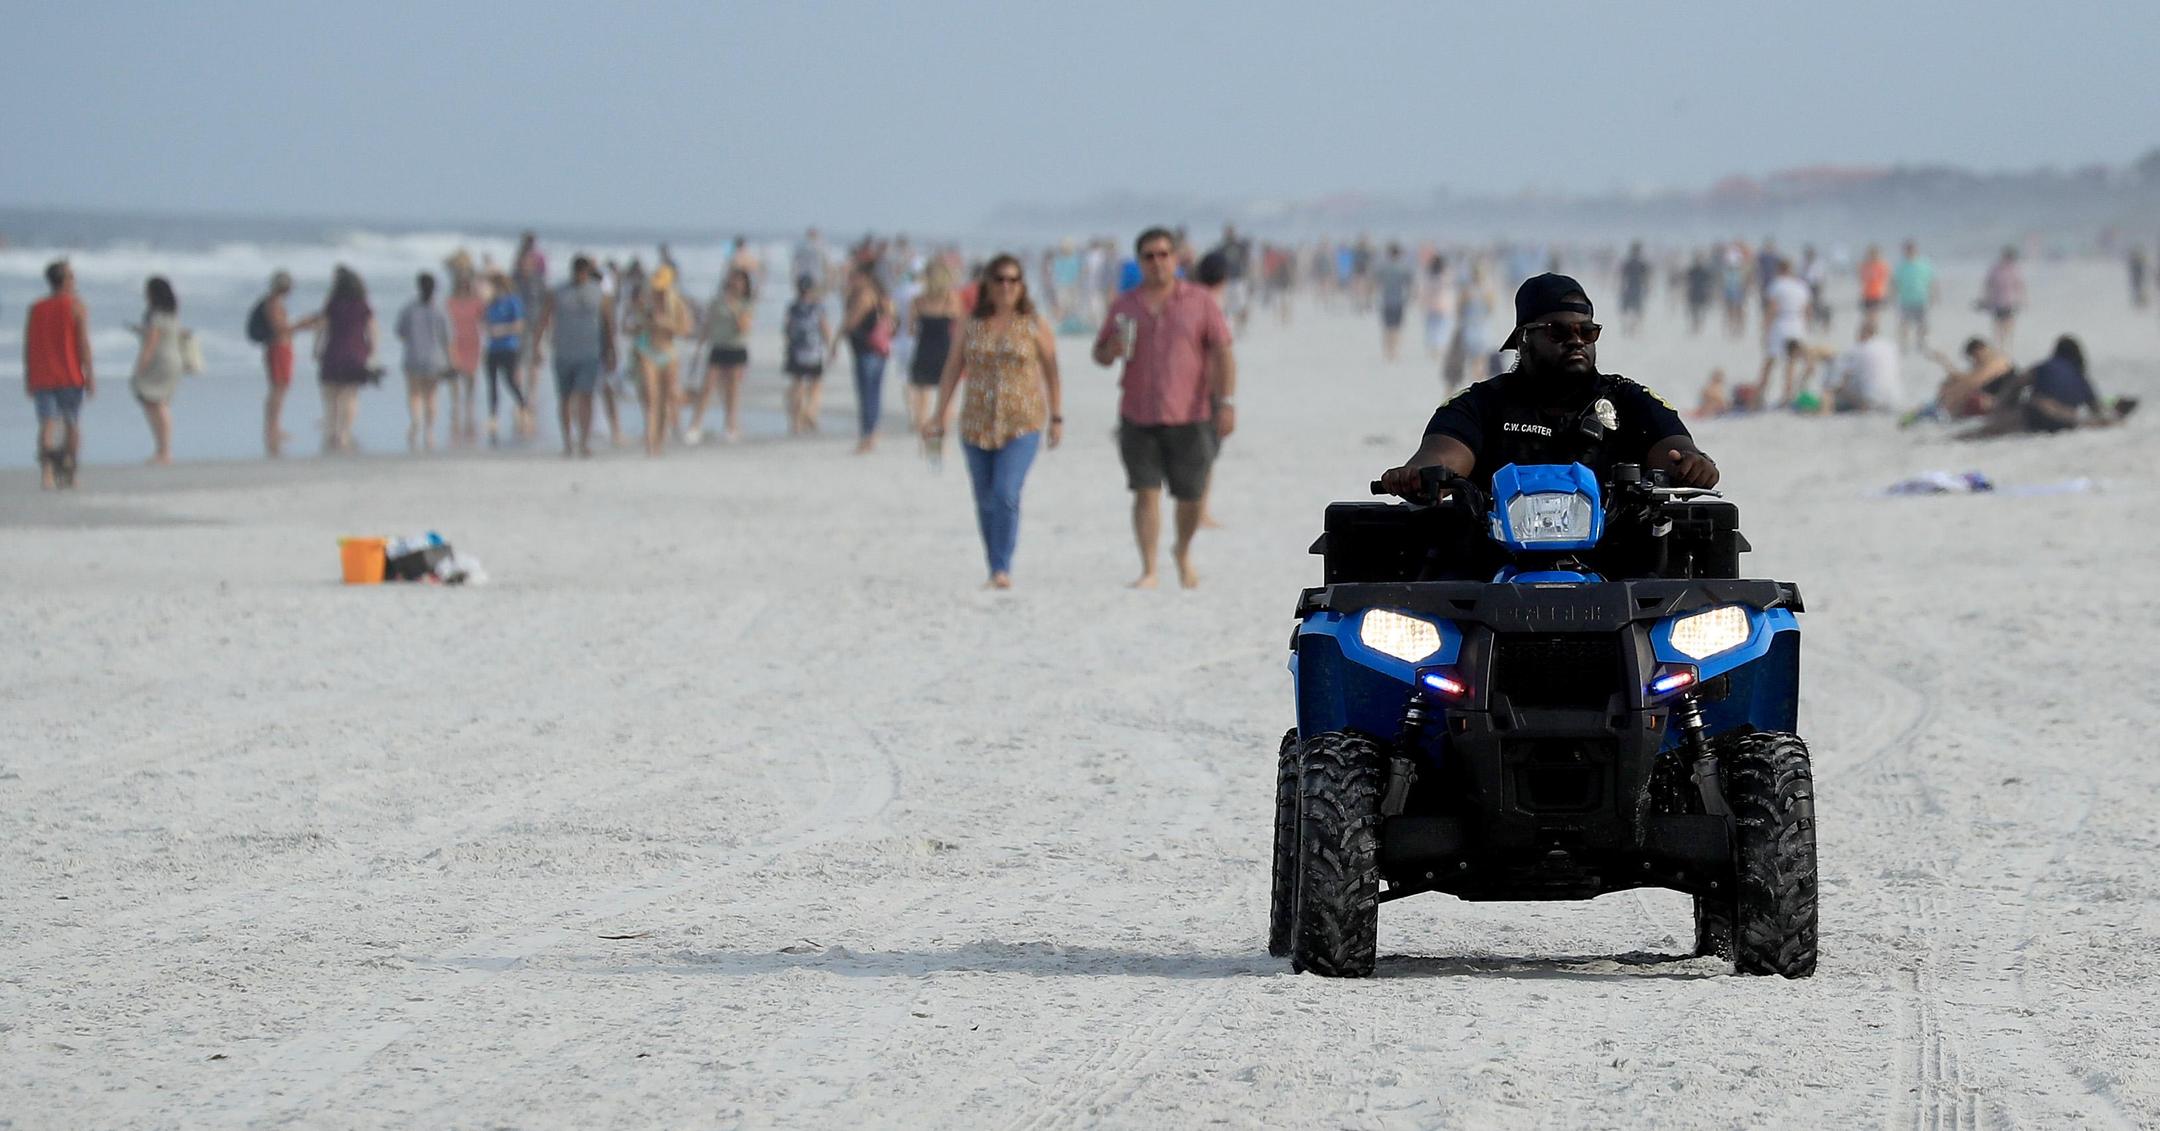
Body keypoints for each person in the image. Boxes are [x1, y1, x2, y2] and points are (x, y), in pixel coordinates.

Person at [1378, 273, 1717, 500]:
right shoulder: (1480, 404)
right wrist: (1418, 476)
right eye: (1559, 332)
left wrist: (1692, 464)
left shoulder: (1629, 400)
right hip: (1495, 569)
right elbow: (1442, 455)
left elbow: (1673, 448)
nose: (1576, 341)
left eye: (1587, 332)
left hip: (1614, 567)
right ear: (1524, 339)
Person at [1091, 227, 1237, 589]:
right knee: (1145, 491)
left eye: (1163, 255)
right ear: (1139, 262)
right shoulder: (1125, 305)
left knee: (1189, 495)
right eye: (1149, 256)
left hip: (1190, 412)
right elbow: (1100, 353)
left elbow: (1222, 351)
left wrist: (1227, 402)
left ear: (1175, 259)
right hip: (1137, 412)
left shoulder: (1199, 300)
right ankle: (1149, 568)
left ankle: (1182, 552)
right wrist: (1109, 350)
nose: (1157, 263)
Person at [922, 253, 1064, 588]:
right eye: (999, 279)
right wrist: (939, 414)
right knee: (985, 498)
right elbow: (953, 370)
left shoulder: (1034, 324)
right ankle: (994, 565)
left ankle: (1003, 567)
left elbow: (1052, 371)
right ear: (987, 283)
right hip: (977, 423)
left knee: (1006, 492)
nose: (1005, 286)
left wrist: (1056, 416)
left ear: (1021, 285)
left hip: (1022, 422)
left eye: (1013, 280)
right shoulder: (972, 324)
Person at [1957, 336, 2133, 439]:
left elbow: (2018, 382)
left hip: (2038, 410)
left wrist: (2002, 405)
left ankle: (1960, 437)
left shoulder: (2046, 365)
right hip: (2065, 420)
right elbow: (2096, 408)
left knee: (1987, 432)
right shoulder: (2081, 378)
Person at [24, 260, 94, 489]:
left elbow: (29, 344)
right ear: (64, 281)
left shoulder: (36, 308)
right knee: (72, 423)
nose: (74, 281)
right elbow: (83, 344)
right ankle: (71, 474)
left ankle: (47, 475)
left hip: (43, 375)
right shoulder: (76, 305)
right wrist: (90, 374)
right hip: (70, 375)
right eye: (71, 277)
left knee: (47, 425)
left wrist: (28, 376)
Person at [290, 266, 376, 453]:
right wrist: (372, 351)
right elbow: (372, 330)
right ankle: (345, 432)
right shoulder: (362, 305)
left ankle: (333, 431)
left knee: (330, 396)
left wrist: (316, 348)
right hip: (356, 353)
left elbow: (321, 328)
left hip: (333, 353)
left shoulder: (332, 305)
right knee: (350, 395)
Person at [536, 255, 615, 457]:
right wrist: (536, 346)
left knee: (585, 396)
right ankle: (567, 441)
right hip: (563, 352)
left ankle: (584, 441)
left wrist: (611, 351)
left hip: (589, 352)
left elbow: (608, 324)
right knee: (565, 398)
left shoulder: (599, 294)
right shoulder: (558, 293)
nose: (580, 276)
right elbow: (544, 319)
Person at [629, 264, 692, 456]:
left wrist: (666, 323)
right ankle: (650, 441)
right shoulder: (645, 303)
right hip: (647, 350)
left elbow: (686, 329)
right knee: (650, 397)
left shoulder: (677, 304)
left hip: (668, 352)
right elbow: (632, 326)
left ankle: (660, 441)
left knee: (666, 398)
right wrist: (645, 321)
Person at [834, 261, 895, 453]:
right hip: (878, 349)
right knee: (874, 393)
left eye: (854, 277)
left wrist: (836, 340)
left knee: (866, 394)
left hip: (866, 350)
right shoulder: (880, 295)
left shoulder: (864, 296)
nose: (851, 280)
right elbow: (893, 318)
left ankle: (867, 435)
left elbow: (851, 322)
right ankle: (872, 431)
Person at [688, 267, 752, 444]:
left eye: (739, 281)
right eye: (733, 280)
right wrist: (698, 348)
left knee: (732, 390)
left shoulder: (746, 304)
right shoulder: (717, 301)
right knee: (707, 386)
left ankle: (731, 426)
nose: (736, 284)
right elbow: (707, 325)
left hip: (736, 348)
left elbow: (743, 328)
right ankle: (695, 425)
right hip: (718, 347)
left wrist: (733, 309)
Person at [127, 276, 186, 465]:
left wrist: (139, 368)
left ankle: (164, 450)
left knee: (156, 403)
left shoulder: (156, 315)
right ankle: (163, 449)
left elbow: (150, 345)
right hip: (174, 359)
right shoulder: (171, 314)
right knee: (160, 403)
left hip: (159, 361)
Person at [395, 272, 453, 451]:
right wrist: (451, 361)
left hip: (413, 356)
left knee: (414, 394)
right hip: (435, 359)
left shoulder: (409, 309)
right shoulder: (440, 310)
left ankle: (415, 422)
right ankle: (429, 431)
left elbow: (400, 333)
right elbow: (447, 338)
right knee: (432, 396)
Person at [906, 260, 960, 434]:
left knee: (922, 393)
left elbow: (911, 330)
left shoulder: (918, 301)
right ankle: (942, 428)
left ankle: (923, 429)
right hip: (945, 349)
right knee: (947, 395)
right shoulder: (950, 300)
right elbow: (960, 327)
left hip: (924, 349)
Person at [1910, 336, 2016, 423]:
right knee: (1950, 385)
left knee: (1964, 391)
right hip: (1987, 399)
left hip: (2000, 401)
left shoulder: (1999, 362)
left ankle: (1941, 410)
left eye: (1975, 357)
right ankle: (1933, 409)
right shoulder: (1983, 365)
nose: (1975, 361)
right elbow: (1966, 378)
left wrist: (1945, 364)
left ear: (1980, 350)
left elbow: (1974, 382)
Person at [477, 272, 529, 445]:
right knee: (491, 383)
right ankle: (493, 416)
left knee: (509, 380)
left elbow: (520, 325)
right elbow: (484, 321)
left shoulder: (512, 301)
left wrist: (502, 330)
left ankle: (523, 406)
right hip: (492, 348)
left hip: (509, 346)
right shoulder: (491, 304)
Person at [1756, 259, 1812, 407]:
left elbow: (1772, 308)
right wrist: (1805, 328)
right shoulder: (1801, 286)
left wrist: (1765, 329)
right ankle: (1787, 395)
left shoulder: (1776, 285)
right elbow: (1807, 310)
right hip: (1797, 323)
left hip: (1781, 323)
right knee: (1791, 362)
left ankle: (1760, 394)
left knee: (1770, 361)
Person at [252, 271, 297, 456]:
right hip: (278, 348)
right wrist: (301, 324)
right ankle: (272, 428)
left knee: (281, 388)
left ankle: (274, 426)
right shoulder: (273, 304)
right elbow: (280, 328)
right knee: (277, 388)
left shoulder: (274, 302)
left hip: (281, 347)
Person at [782, 274, 831, 435]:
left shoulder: (793, 307)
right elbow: (824, 328)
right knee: (815, 385)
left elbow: (787, 329)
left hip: (797, 351)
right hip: (814, 352)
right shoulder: (818, 307)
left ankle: (796, 422)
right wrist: (830, 345)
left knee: (797, 385)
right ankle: (810, 412)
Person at [1822, 320, 1901, 414]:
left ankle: (1862, 407)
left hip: (1871, 400)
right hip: (1894, 400)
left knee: (1838, 389)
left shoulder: (1858, 349)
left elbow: (1839, 379)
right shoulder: (1890, 346)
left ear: (1862, 333)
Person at [444, 266, 485, 445]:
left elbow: (484, 320)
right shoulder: (450, 302)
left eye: (465, 284)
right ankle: (455, 404)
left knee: (471, 374)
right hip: (455, 340)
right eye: (460, 284)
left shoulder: (477, 302)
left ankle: (469, 404)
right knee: (454, 372)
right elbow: (444, 322)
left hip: (472, 339)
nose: (462, 286)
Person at [1445, 260, 1499, 394]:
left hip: (1470, 327)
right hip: (1482, 327)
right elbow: (1491, 309)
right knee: (1480, 359)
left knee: (1472, 360)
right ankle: (1479, 385)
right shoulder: (1487, 290)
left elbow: (1459, 310)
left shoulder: (1467, 290)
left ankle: (1476, 385)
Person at [1891, 239, 1938, 352]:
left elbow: (1932, 281)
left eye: (1911, 249)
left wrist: (1934, 295)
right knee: (1904, 325)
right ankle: (1904, 345)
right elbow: (1894, 283)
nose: (1909, 252)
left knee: (1922, 324)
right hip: (1905, 300)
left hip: (1921, 299)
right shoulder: (1900, 266)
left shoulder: (1924, 264)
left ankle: (1921, 343)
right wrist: (1892, 297)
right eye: (1907, 249)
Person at [1980, 246, 2026, 351]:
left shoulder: (2009, 269)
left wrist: (2023, 300)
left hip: (2006, 302)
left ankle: (2004, 346)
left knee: (2005, 325)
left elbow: (2020, 286)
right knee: (2001, 325)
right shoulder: (2003, 269)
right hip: (2001, 301)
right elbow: (1988, 284)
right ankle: (2002, 346)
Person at [1375, 243, 1415, 361]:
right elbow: (1410, 284)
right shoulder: (1403, 268)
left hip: (1386, 300)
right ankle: (1394, 352)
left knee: (1387, 327)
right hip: (1399, 300)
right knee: (1397, 328)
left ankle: (1387, 351)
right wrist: (1412, 297)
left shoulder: (1383, 268)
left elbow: (1376, 282)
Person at [1421, 255, 1456, 362]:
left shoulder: (1428, 277)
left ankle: (1434, 350)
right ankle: (1440, 349)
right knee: (1443, 329)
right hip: (1444, 307)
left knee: (1431, 329)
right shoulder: (1446, 276)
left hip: (1431, 306)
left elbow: (1423, 292)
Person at [1618, 241, 1651, 336]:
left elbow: (1622, 277)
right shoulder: (1641, 264)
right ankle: (1632, 328)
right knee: (1636, 311)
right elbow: (1646, 279)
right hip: (1636, 289)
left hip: (1630, 288)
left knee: (1628, 311)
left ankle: (1629, 328)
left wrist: (1621, 288)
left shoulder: (1629, 263)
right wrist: (1647, 288)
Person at [1683, 251, 1714, 335]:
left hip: (1699, 292)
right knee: (1695, 311)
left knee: (1699, 310)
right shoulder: (1692, 270)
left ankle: (1698, 326)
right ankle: (1696, 326)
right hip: (1694, 292)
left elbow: (1709, 284)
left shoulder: (1703, 271)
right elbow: (1687, 282)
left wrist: (1709, 293)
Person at [1857, 245, 1890, 318]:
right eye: (1871, 254)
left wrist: (1887, 294)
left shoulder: (1882, 266)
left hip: (1878, 294)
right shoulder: (1865, 266)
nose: (1873, 257)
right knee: (1867, 317)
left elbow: (1886, 280)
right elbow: (1861, 278)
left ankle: (1873, 327)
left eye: (1875, 254)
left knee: (1874, 316)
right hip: (1867, 294)